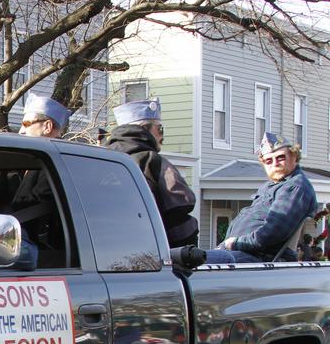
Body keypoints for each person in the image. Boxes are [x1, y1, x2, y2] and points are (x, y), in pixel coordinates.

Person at [205, 132, 318, 263]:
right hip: (240, 253)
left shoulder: (295, 186)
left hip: (261, 257)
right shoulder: (272, 186)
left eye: (280, 157)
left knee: (187, 263)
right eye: (269, 160)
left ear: (293, 156)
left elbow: (271, 234)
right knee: (181, 257)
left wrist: (235, 243)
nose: (275, 164)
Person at [104, 98, 199, 247]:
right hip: (151, 256)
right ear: (144, 129)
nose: (162, 137)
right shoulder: (152, 161)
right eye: (160, 129)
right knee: (229, 258)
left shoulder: (100, 160)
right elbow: (181, 209)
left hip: (107, 251)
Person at [9, 95, 70, 247]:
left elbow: (36, 206)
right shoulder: (32, 160)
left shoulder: (57, 164)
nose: (21, 131)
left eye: (26, 124)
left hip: (40, 249)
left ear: (47, 126)